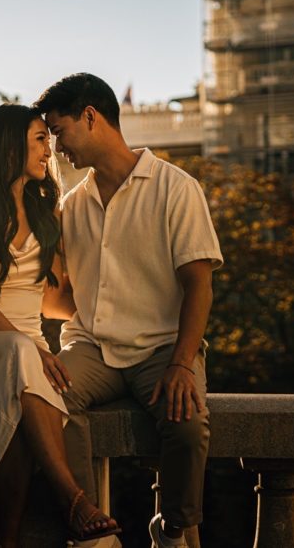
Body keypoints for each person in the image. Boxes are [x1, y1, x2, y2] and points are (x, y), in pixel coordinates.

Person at [33, 73, 223, 548]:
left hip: (162, 347)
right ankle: (91, 529)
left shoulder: (177, 189)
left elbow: (199, 285)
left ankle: (173, 529)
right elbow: (58, 300)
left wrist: (182, 363)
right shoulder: (70, 206)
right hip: (91, 347)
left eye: (59, 132)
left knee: (188, 424)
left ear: (91, 117)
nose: (56, 148)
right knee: (47, 397)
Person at [0, 103, 121, 548]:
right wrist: (33, 350)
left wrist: (124, 313)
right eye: (39, 140)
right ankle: (73, 499)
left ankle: (6, 540)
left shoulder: (45, 215)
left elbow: (54, 301)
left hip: (23, 354)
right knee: (20, 360)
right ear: (10, 145)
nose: (48, 152)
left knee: (15, 398)